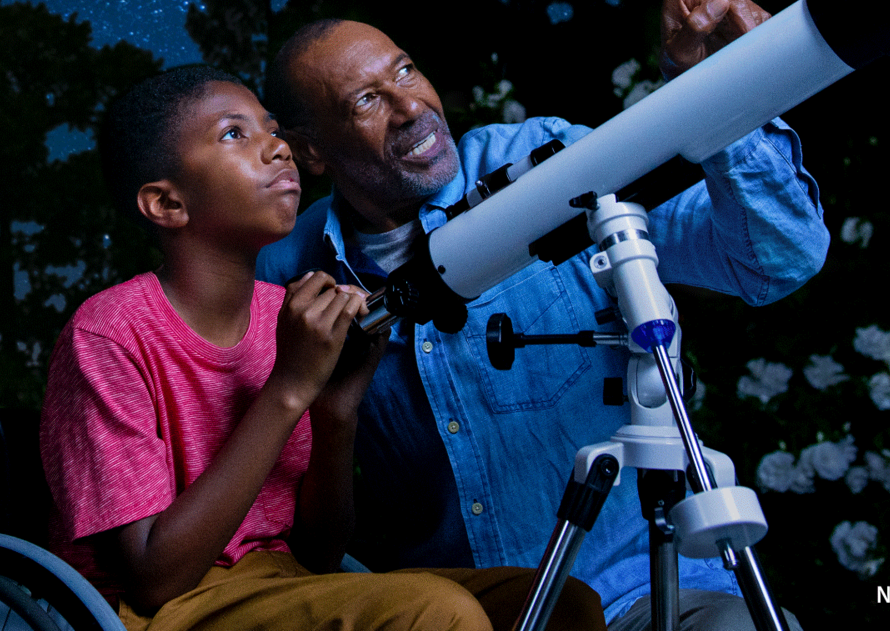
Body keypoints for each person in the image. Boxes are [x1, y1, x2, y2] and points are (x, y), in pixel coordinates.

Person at [251, 0, 816, 631]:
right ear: (312, 153)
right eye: (365, 100)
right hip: (466, 615)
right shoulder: (284, 278)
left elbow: (774, 259)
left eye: (405, 70)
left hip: (648, 590)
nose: (410, 108)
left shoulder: (547, 161)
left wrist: (725, 90)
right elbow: (288, 527)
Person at [42, 64, 605, 631]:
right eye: (235, 135)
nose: (277, 149)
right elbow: (154, 579)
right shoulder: (111, 332)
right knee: (438, 612)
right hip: (161, 611)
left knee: (560, 602)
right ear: (167, 204)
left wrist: (336, 408)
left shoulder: (279, 316)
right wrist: (290, 389)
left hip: (285, 581)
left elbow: (319, 555)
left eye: (272, 129)